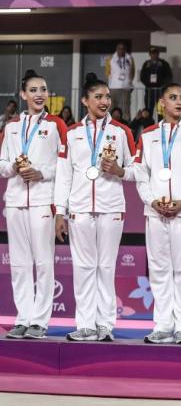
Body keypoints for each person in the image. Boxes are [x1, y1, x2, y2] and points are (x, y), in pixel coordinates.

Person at [54, 73, 137, 342]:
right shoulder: (72, 133)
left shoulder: (121, 131)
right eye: (98, 97)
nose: (104, 101)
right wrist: (60, 212)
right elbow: (64, 175)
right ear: (85, 100)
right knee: (83, 266)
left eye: (107, 97)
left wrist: (120, 170)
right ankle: (86, 324)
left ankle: (105, 325)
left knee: (106, 266)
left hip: (111, 207)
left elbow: (136, 169)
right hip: (79, 208)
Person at [134, 83, 181, 345]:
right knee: (158, 270)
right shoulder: (148, 134)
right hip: (155, 212)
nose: (179, 102)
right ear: (162, 104)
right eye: (173, 97)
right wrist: (152, 201)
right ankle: (163, 325)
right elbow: (141, 174)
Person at [0, 71, 68, 339]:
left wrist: (42, 172)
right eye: (34, 89)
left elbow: (64, 167)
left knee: (43, 262)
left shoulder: (56, 125)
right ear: (23, 94)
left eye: (44, 89)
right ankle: (23, 317)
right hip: (15, 202)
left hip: (42, 200)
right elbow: (2, 165)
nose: (40, 94)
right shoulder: (11, 127)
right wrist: (14, 167)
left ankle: (39, 321)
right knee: (19, 264)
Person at [140, 47, 173, 117]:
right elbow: (142, 76)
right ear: (150, 54)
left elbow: (168, 76)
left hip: (160, 90)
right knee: (148, 109)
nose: (154, 55)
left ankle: (161, 126)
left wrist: (163, 85)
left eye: (155, 53)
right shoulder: (146, 64)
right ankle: (149, 126)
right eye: (152, 53)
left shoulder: (164, 63)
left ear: (158, 54)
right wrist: (148, 83)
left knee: (161, 110)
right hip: (149, 90)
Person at [106, 42, 135, 117]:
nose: (121, 50)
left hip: (125, 87)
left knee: (126, 107)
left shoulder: (130, 58)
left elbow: (132, 72)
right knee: (112, 107)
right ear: (116, 49)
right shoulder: (110, 58)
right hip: (113, 87)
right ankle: (110, 123)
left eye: (123, 48)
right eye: (119, 48)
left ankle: (126, 124)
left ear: (125, 49)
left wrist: (129, 83)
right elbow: (107, 72)